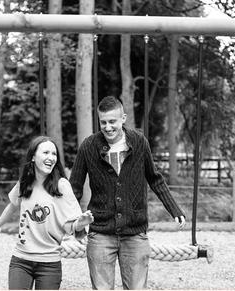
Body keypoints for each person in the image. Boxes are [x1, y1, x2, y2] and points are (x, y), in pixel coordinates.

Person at [69, 96, 186, 290]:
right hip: (100, 232)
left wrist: (174, 209)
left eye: (112, 121)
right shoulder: (88, 146)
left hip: (134, 232)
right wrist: (69, 222)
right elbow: (74, 188)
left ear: (123, 118)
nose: (107, 127)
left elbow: (155, 178)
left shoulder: (139, 142)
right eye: (103, 122)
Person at [0, 136, 94, 290]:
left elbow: (72, 225)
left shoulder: (62, 186)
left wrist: (82, 222)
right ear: (33, 157)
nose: (51, 157)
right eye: (45, 152)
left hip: (49, 264)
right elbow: (12, 205)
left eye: (54, 154)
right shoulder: (25, 182)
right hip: (20, 259)